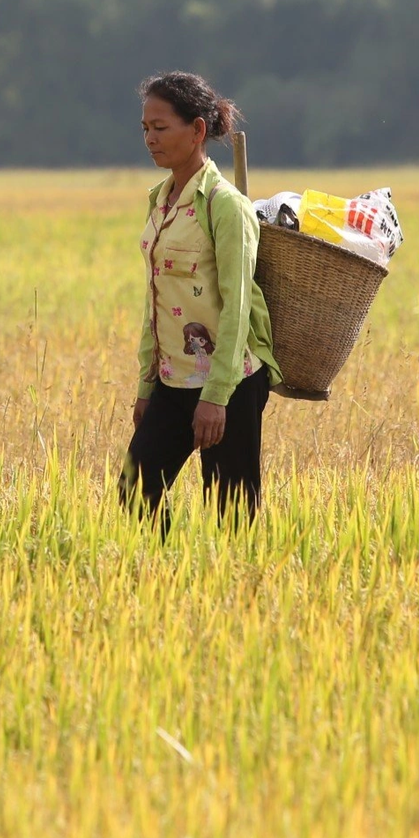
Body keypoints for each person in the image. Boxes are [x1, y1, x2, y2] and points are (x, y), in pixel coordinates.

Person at [121, 71, 281, 530]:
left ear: (196, 130)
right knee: (136, 490)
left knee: (231, 516)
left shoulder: (225, 205)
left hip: (230, 382)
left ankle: (229, 578)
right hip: (172, 379)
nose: (150, 139)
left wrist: (216, 397)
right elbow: (156, 300)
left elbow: (238, 306)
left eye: (160, 127)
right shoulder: (160, 200)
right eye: (145, 128)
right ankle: (165, 571)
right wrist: (147, 386)